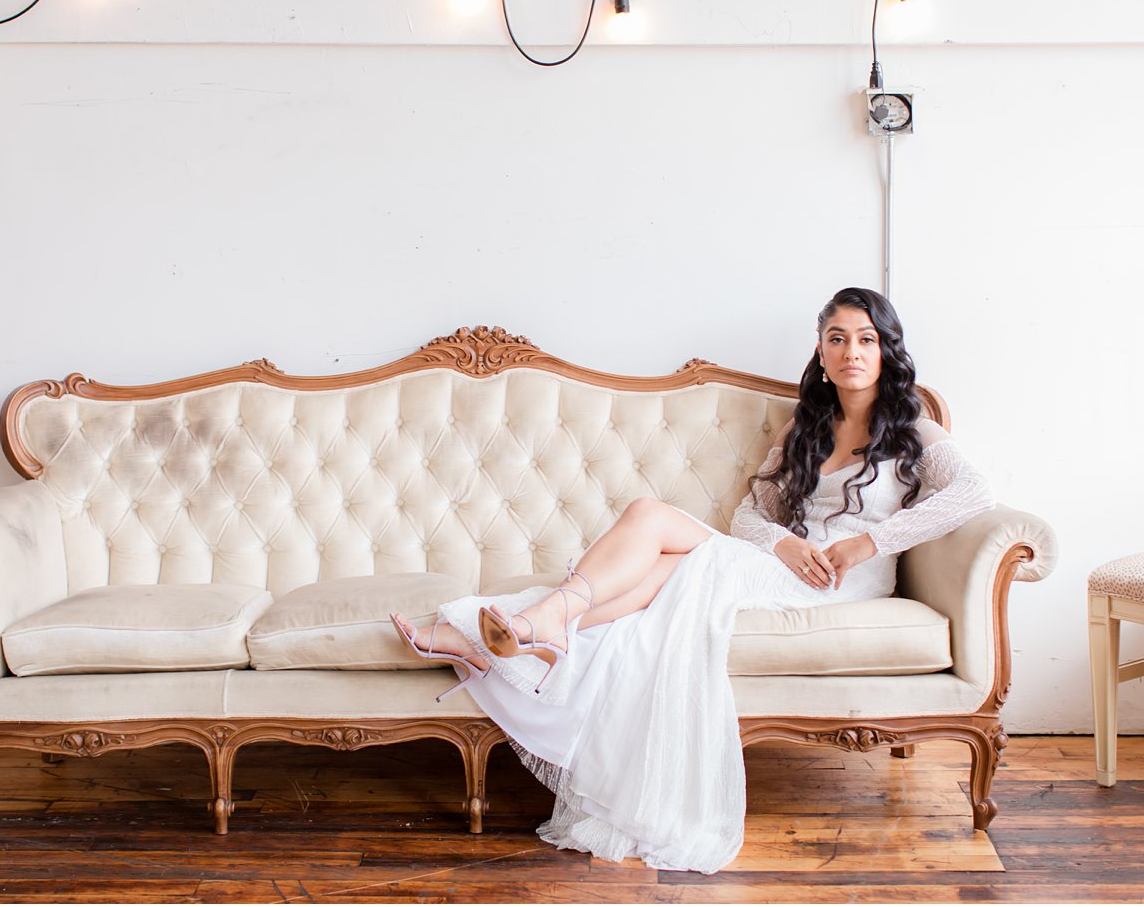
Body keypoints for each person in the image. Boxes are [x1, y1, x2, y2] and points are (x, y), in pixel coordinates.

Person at [390, 286, 994, 874]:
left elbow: (975, 493)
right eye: (837, 339)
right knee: (665, 568)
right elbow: (750, 518)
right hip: (785, 565)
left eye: (866, 339)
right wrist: (784, 542)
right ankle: (521, 633)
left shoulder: (914, 427)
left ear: (887, 348)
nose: (851, 352)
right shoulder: (805, 428)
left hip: (843, 580)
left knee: (650, 518)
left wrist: (870, 541)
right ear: (820, 351)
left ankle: (531, 625)